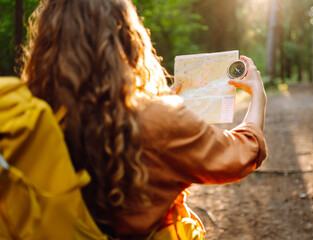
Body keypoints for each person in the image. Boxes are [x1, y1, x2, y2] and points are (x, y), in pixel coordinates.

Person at [21, 0, 267, 238]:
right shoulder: (157, 121)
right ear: (127, 40)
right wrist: (258, 95)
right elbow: (240, 155)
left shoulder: (31, 116)